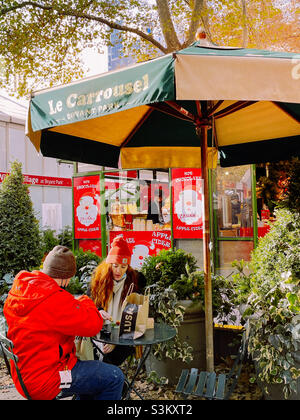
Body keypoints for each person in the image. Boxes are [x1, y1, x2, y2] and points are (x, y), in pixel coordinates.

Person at [3, 245, 124, 400]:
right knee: (114, 377)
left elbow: (52, 315)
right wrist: (85, 301)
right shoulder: (54, 299)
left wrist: (75, 304)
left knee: (91, 376)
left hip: (24, 375)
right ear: (65, 278)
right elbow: (93, 325)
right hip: (50, 379)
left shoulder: (22, 288)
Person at [89, 236, 146, 366]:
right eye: (115, 266)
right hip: (100, 331)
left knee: (111, 359)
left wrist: (115, 342)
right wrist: (99, 310)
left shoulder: (135, 282)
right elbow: (90, 302)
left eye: (123, 267)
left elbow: (134, 315)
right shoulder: (99, 279)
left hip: (125, 334)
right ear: (109, 265)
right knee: (96, 354)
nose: (118, 271)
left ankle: (115, 382)